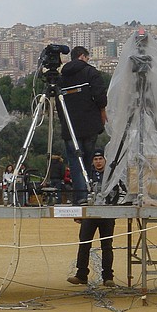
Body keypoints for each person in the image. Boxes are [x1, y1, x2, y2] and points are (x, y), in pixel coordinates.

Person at [56, 46, 108, 205]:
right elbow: (100, 95)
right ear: (83, 57)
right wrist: (102, 110)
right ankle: (88, 192)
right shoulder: (90, 72)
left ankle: (80, 197)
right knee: (87, 160)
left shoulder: (60, 77)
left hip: (70, 126)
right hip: (90, 124)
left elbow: (58, 103)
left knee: (74, 162)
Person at [67, 148, 116, 288]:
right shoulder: (86, 175)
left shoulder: (112, 175)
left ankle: (108, 277)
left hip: (106, 214)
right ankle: (81, 275)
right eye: (96, 159)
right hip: (89, 213)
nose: (98, 162)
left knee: (107, 246)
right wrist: (79, 213)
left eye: (100, 159)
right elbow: (79, 193)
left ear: (105, 160)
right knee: (84, 244)